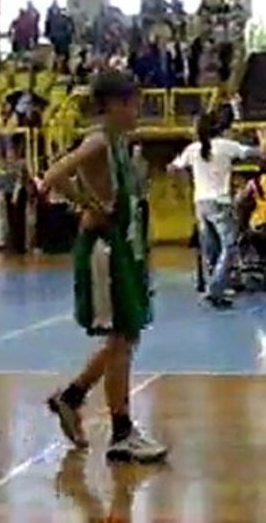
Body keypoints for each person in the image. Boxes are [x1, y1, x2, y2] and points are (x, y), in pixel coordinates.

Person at [40, 70, 166, 464]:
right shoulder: (97, 141)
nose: (136, 111)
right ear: (112, 105)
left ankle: (72, 397)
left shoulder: (119, 144)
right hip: (103, 252)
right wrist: (90, 205)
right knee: (122, 338)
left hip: (122, 250)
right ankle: (121, 432)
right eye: (131, 103)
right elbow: (52, 177)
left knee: (124, 337)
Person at [168, 113, 265, 309]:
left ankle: (216, 289)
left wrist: (182, 185)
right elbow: (259, 153)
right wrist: (263, 137)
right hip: (220, 201)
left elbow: (172, 167)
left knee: (210, 249)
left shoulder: (192, 149)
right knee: (229, 247)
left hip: (200, 202)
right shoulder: (225, 145)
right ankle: (215, 290)